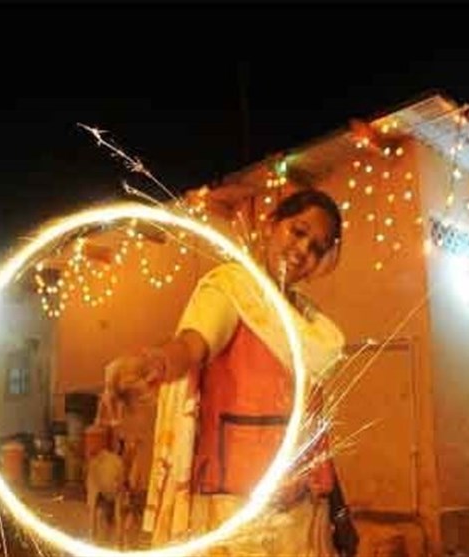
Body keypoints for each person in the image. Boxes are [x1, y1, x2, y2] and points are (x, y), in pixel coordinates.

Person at [104, 188, 354, 556]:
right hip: (237, 508)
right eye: (298, 231)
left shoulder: (309, 324)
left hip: (302, 507)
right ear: (271, 225)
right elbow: (192, 345)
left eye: (317, 247)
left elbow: (314, 425)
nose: (303, 250)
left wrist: (333, 501)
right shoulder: (233, 289)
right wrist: (154, 362)